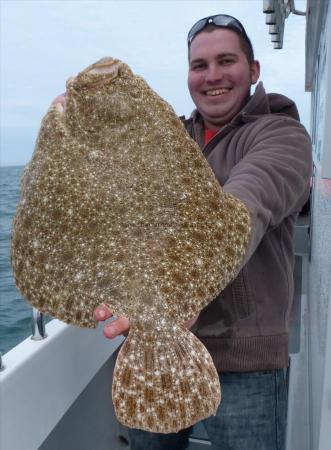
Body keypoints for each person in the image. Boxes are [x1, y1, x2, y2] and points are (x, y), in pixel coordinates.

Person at [55, 13, 312, 450]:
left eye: (226, 61)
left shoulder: (281, 135)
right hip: (151, 351)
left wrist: (179, 289)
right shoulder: (164, 137)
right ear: (189, 75)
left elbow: (247, 203)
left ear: (253, 71)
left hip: (245, 362)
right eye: (199, 65)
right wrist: (77, 130)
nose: (212, 76)